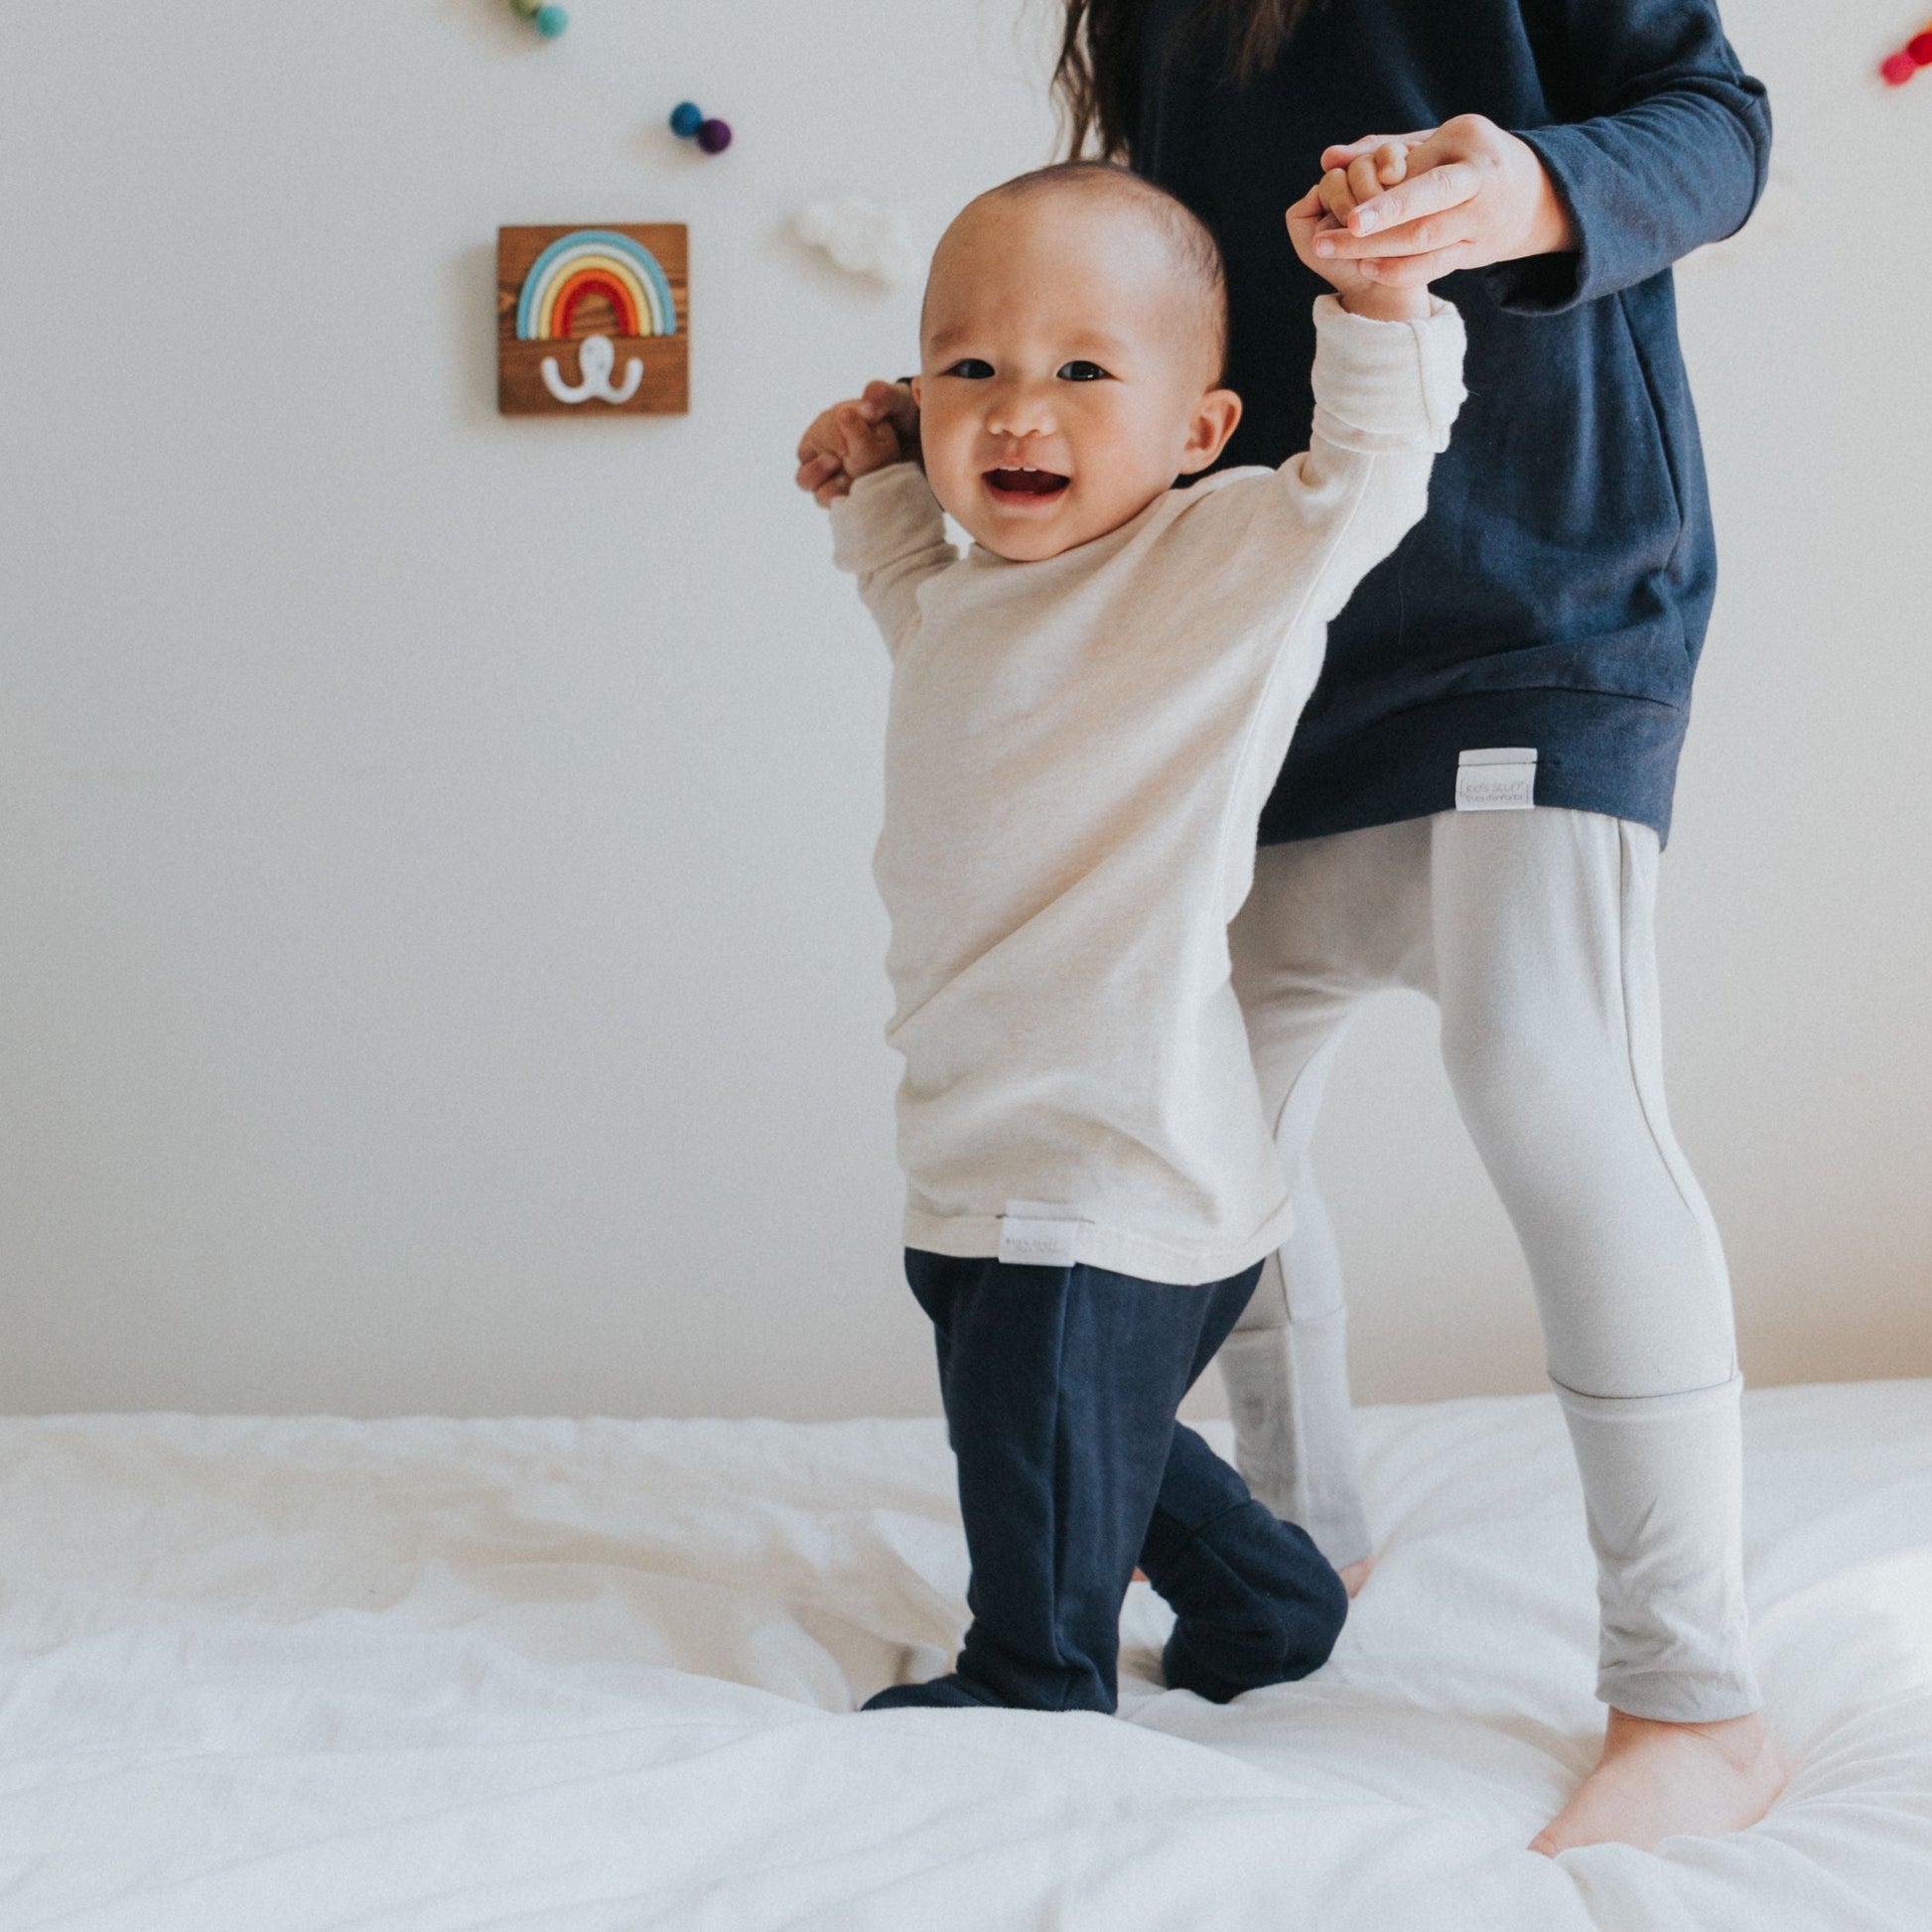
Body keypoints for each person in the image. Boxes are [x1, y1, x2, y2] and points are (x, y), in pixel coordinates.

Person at [825, 0, 1781, 1858]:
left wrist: (1530, 186)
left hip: (1543, 595)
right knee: (1200, 1106)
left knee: (1543, 1066)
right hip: (1248, 626)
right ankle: (1302, 1528)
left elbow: (1715, 125)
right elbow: (1142, 258)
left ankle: (1691, 1691)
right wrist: (958, 420)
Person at [793, 159, 1466, 1715]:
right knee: (1057, 1418)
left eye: (1081, 371)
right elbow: (905, 570)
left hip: (1109, 1149)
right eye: (970, 369)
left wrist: (1375, 304)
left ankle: (1033, 1671)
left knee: (1027, 1429)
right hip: (978, 1136)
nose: (1017, 411)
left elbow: (1370, 470)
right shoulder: (961, 606)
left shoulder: (1217, 569)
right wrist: (877, 466)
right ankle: (1269, 1598)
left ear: (1199, 429)